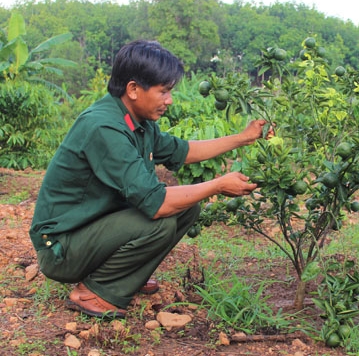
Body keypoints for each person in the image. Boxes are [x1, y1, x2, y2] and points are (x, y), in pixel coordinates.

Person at [30, 40, 271, 318]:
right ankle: (92, 292)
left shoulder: (138, 122)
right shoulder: (104, 127)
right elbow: (156, 204)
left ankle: (126, 276)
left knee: (186, 208)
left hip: (89, 232)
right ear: (133, 89)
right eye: (163, 91)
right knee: (161, 221)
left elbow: (185, 150)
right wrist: (217, 185)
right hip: (61, 249)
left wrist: (243, 138)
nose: (169, 100)